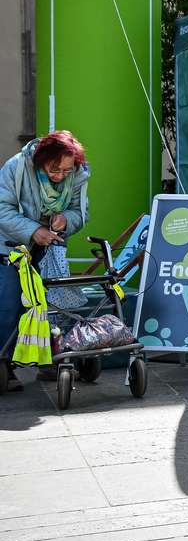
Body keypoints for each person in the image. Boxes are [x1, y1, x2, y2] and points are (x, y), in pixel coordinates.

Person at [0, 131, 89, 392]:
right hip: (11, 247)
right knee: (10, 304)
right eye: (54, 169)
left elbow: (81, 211)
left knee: (48, 306)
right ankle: (5, 365)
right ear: (41, 161)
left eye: (66, 170)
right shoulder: (17, 167)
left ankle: (47, 360)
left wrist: (66, 220)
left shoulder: (78, 174)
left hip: (49, 247)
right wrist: (33, 231)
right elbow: (2, 209)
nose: (60, 176)